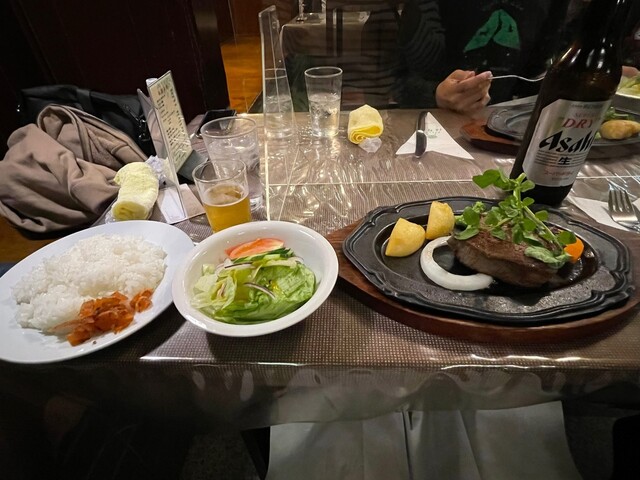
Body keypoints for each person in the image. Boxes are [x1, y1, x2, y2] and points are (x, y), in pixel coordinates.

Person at [394, 0, 573, 114]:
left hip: (506, 125)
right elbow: (399, 83)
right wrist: (436, 95)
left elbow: (536, 76)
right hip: (432, 123)